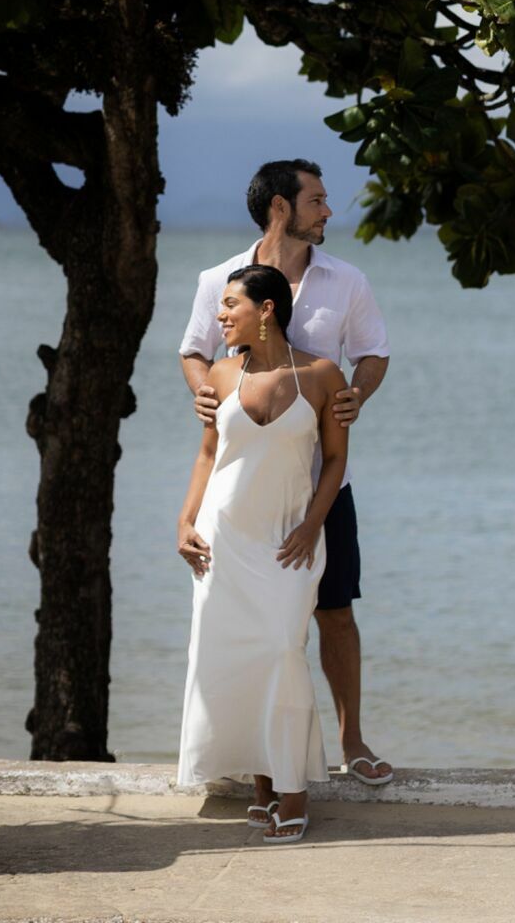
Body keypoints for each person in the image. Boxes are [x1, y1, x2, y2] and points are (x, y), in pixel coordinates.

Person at [179, 159, 393, 786]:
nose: (329, 211)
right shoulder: (219, 280)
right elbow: (196, 351)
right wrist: (202, 393)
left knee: (335, 611)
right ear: (281, 206)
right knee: (243, 625)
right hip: (243, 491)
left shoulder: (346, 280)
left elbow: (373, 352)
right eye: (318, 199)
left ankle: (351, 742)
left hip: (324, 485)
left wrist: (358, 392)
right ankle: (249, 757)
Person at [176, 264, 347, 845]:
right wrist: (183, 520)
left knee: (281, 650)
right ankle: (262, 788)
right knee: (236, 659)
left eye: (231, 305)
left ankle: (293, 789)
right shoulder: (221, 375)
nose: (221, 315)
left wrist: (312, 525)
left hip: (287, 541)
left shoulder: (323, 376)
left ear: (267, 308)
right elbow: (206, 457)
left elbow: (335, 461)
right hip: (222, 539)